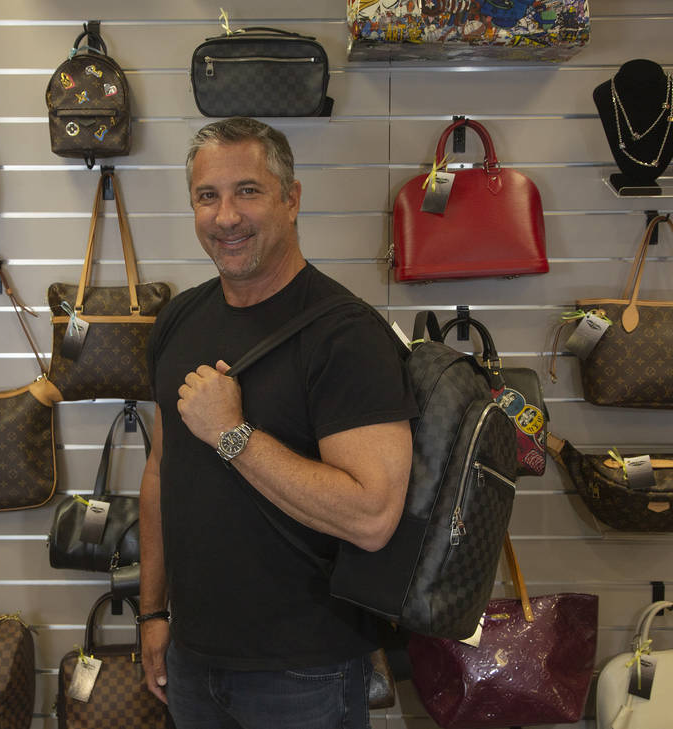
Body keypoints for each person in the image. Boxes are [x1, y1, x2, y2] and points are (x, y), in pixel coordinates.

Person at [138, 117, 417, 729]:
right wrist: (153, 612)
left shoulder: (346, 334)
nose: (226, 217)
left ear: (291, 200)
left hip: (305, 669)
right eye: (207, 196)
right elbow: (162, 473)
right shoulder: (179, 320)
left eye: (248, 191)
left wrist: (231, 435)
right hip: (192, 655)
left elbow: (371, 517)